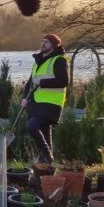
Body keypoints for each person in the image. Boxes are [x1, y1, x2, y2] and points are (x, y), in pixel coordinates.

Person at [20, 34, 69, 164]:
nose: (43, 44)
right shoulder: (38, 62)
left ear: (54, 45)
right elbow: (30, 83)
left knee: (31, 126)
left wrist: (41, 82)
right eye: (42, 41)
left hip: (52, 104)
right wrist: (25, 98)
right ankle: (48, 163)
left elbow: (63, 81)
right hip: (37, 103)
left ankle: (46, 154)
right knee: (45, 131)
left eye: (46, 42)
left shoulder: (59, 60)